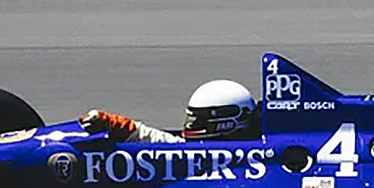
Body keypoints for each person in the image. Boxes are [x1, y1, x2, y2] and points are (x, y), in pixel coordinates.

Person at [80, 79, 258, 143]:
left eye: (199, 120)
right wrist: (112, 124)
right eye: (192, 118)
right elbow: (155, 140)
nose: (191, 124)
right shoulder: (190, 151)